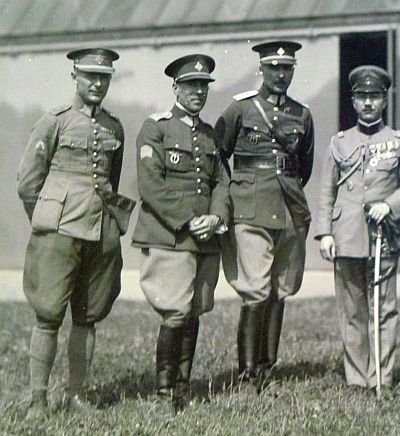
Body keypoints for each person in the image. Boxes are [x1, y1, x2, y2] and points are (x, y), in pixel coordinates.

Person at [16, 48, 134, 417]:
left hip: (99, 232)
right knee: (49, 314)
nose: (97, 83)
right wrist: (48, 219)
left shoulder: (115, 127)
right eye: (90, 76)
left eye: (104, 77)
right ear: (75, 78)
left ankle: (76, 395)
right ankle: (38, 399)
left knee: (88, 315)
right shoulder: (55, 121)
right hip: (59, 231)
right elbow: (28, 183)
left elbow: (109, 183)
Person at [131, 54, 231, 414]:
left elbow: (221, 180)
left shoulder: (209, 134)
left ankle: (183, 388)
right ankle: (163, 393)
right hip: (171, 235)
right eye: (191, 86)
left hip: (205, 237)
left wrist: (217, 215)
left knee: (194, 312)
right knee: (174, 313)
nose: (198, 92)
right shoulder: (155, 128)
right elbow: (151, 186)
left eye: (203, 86)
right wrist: (191, 219)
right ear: (175, 88)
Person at [314, 65, 400, 393]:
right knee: (352, 311)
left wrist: (389, 205)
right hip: (346, 237)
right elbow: (327, 189)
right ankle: (357, 378)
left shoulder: (398, 142)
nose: (368, 103)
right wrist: (325, 232)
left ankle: (382, 377)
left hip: (382, 237)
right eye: (362, 97)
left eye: (375, 96)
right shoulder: (340, 142)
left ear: (385, 100)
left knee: (384, 309)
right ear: (353, 101)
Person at [215, 40, 314, 385]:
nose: (280, 74)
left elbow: (304, 166)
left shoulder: (302, 114)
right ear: (262, 69)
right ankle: (246, 372)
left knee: (280, 287)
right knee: (256, 288)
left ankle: (267, 365)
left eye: (287, 68)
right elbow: (218, 158)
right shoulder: (240, 109)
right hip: (250, 208)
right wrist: (235, 196)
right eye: (274, 67)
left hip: (288, 207)